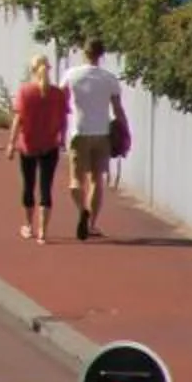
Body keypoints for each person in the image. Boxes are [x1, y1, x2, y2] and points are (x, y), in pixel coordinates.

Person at [64, 41, 129, 241]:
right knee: (96, 179)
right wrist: (125, 130)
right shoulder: (109, 79)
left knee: (76, 179)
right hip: (101, 133)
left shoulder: (71, 75)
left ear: (84, 52)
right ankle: (91, 223)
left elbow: (61, 100)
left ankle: (82, 209)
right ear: (101, 55)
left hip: (79, 131)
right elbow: (118, 109)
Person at [8, 51, 70, 244]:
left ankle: (28, 225)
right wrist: (61, 139)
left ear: (32, 70)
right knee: (46, 188)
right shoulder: (58, 94)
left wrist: (11, 143)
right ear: (49, 69)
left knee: (28, 185)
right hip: (49, 145)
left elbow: (18, 119)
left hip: (28, 145)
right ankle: (43, 232)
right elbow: (63, 120)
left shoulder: (25, 92)